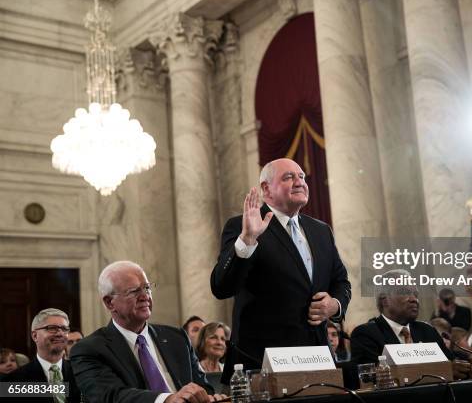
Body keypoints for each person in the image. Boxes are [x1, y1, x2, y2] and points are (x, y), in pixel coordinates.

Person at [211, 159, 351, 382]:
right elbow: (221, 287)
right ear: (266, 188)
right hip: (263, 363)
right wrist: (247, 240)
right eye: (289, 177)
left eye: (302, 177)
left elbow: (341, 282)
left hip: (317, 359)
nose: (299, 182)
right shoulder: (243, 226)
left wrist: (334, 305)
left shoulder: (321, 230)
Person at [71, 261, 223, 403]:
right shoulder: (89, 349)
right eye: (134, 291)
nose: (145, 296)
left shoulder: (177, 338)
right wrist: (167, 399)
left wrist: (211, 397)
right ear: (110, 302)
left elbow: (203, 387)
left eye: (147, 287)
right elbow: (111, 396)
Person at [351, 270, 471, 380]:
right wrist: (442, 370)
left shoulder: (427, 331)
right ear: (385, 300)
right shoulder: (366, 334)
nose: (414, 299)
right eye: (405, 292)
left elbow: (453, 367)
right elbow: (370, 378)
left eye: (416, 294)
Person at [2, 308, 82, 402]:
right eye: (52, 328)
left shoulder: (82, 372)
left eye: (64, 329)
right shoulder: (13, 381)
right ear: (35, 336)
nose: (60, 333)